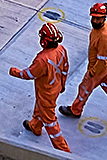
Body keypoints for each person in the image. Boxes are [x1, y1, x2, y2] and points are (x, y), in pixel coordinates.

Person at [61, 2, 107, 129]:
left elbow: (101, 59)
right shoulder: (101, 28)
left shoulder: (104, 37)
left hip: (99, 69)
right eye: (93, 17)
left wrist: (93, 72)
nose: (95, 20)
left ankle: (75, 110)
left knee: (84, 89)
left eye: (98, 18)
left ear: (104, 18)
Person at [9, 21, 72, 153]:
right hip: (56, 88)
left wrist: (14, 71)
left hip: (46, 93)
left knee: (50, 122)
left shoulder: (42, 60)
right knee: (39, 108)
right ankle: (35, 126)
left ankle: (64, 151)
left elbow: (29, 74)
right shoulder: (62, 50)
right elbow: (65, 68)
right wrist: (63, 84)